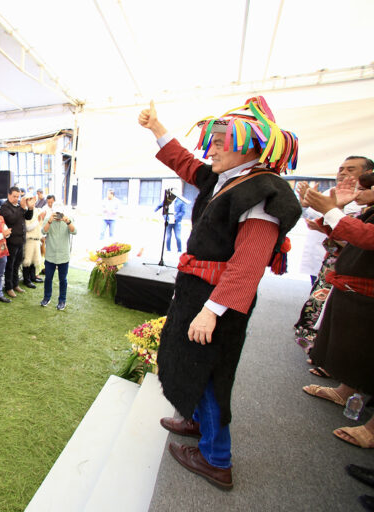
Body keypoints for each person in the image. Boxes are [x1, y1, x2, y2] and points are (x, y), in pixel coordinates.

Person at [138, 97, 301, 489]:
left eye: (222, 141)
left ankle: (217, 459)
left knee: (211, 373)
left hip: (218, 300)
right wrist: (157, 127)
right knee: (190, 361)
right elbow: (184, 162)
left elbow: (248, 264)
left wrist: (212, 310)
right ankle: (195, 422)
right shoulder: (227, 177)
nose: (211, 148)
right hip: (199, 291)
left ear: (249, 145)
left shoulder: (262, 192)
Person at [301, 171, 374, 449]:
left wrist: (332, 211)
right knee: (354, 351)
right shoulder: (367, 211)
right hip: (353, 291)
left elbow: (368, 238)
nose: (356, 184)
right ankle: (346, 392)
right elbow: (351, 240)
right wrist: (335, 212)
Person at [293, 156, 371, 354]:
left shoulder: (362, 204)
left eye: (350, 169)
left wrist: (330, 211)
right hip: (334, 263)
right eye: (341, 169)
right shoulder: (339, 194)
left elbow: (361, 237)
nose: (343, 173)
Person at [40, 203, 76, 310]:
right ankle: (47, 298)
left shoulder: (68, 219)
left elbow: (74, 231)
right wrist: (50, 221)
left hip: (64, 255)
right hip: (50, 255)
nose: (58, 216)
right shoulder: (48, 219)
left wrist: (67, 221)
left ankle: (62, 301)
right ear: (53, 212)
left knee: (63, 279)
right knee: (48, 278)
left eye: (60, 213)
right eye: (57, 213)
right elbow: (43, 231)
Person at [0, 187, 34, 297]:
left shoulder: (19, 206)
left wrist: (30, 208)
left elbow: (28, 217)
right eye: (14, 196)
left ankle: (15, 284)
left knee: (17, 264)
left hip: (20, 240)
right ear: (8, 195)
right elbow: (11, 219)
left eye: (18, 196)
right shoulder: (4, 207)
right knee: (10, 265)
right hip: (11, 241)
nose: (16, 198)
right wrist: (22, 207)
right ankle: (8, 287)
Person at [22, 196, 45, 288]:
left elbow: (40, 226)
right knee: (27, 261)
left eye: (34, 201)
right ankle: (26, 280)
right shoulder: (26, 212)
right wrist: (38, 220)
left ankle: (32, 277)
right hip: (29, 239)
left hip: (37, 239)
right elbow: (27, 228)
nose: (33, 203)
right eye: (31, 201)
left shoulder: (37, 211)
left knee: (34, 260)